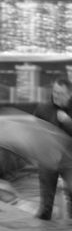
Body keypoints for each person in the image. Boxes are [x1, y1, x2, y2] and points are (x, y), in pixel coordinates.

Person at [34, 76, 72, 220]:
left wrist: (68, 122)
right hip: (47, 160)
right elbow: (33, 131)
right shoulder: (43, 108)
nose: (56, 96)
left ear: (69, 94)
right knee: (46, 204)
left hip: (69, 161)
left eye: (60, 93)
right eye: (55, 92)